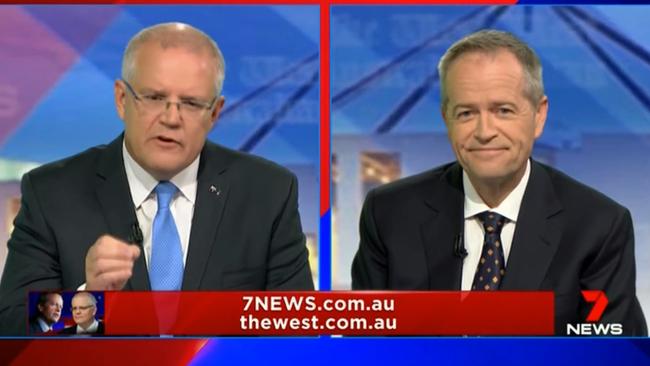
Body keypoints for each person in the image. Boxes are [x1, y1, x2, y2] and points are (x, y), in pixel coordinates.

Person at [0, 22, 313, 335]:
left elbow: (297, 331)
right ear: (122, 99)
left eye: (190, 103)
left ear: (215, 113)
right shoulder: (51, 193)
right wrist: (88, 299)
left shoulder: (268, 193)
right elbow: (13, 327)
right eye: (153, 97)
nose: (171, 118)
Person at [351, 29, 647, 335]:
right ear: (446, 120)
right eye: (466, 113)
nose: (484, 131)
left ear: (539, 115)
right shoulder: (389, 213)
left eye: (503, 110)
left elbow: (617, 352)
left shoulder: (597, 225)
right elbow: (363, 347)